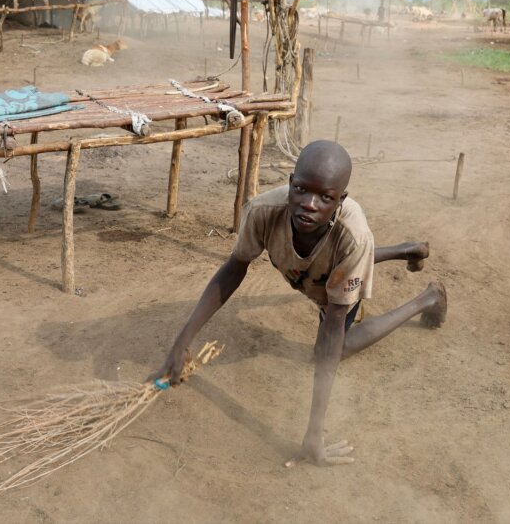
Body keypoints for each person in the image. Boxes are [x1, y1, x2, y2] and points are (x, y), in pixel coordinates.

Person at [152, 140, 447, 467]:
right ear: (291, 182)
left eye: (325, 198)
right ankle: (407, 250)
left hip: (335, 273)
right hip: (320, 268)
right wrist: (182, 343)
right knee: (327, 266)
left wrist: (314, 434)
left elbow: (333, 327)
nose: (309, 204)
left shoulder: (355, 237)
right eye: (301, 190)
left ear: (340, 200)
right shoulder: (263, 212)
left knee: (336, 347)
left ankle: (427, 298)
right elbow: (234, 269)